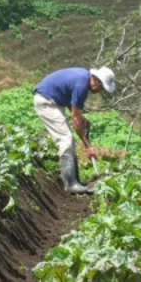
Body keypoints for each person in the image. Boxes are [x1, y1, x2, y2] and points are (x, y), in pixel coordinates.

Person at [33, 66, 115, 194]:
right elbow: (75, 119)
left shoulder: (83, 77)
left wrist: (82, 118)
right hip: (46, 102)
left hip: (53, 99)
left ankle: (75, 181)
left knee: (68, 140)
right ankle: (70, 184)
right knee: (66, 139)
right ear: (97, 81)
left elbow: (70, 103)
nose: (100, 92)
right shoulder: (81, 86)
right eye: (102, 88)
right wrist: (88, 146)